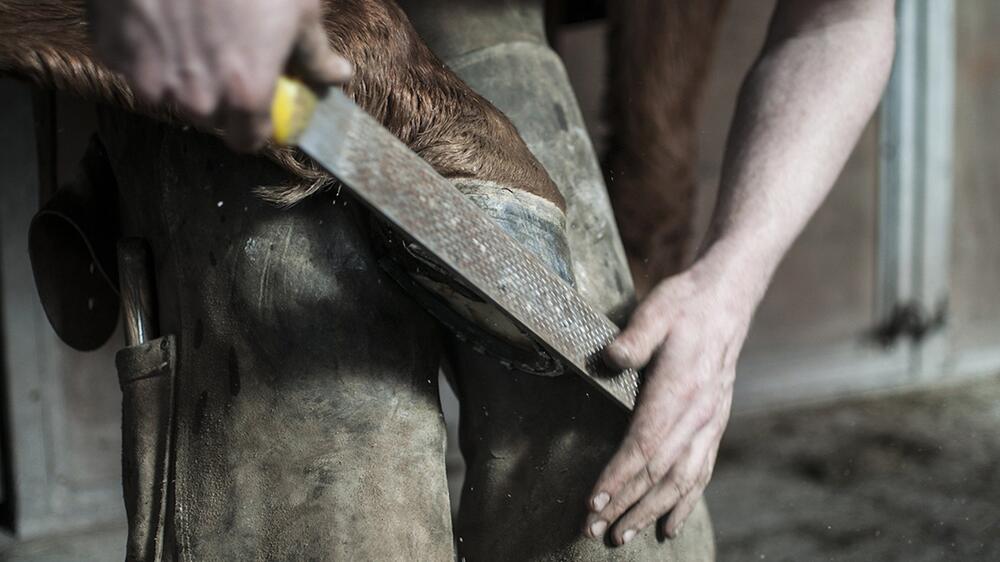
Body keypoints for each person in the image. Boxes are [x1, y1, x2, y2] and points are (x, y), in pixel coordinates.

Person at [80, 0, 895, 556]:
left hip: (470, 10)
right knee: (326, 494)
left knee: (615, 479)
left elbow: (843, 17)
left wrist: (731, 281)